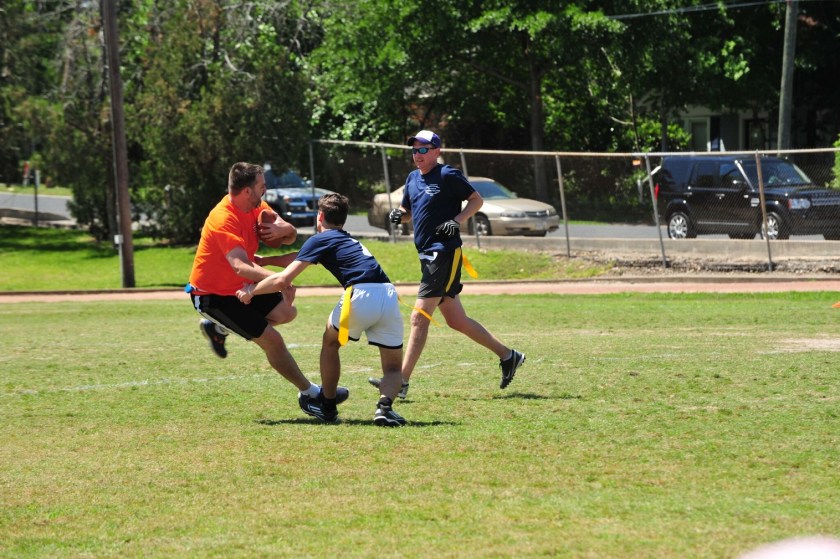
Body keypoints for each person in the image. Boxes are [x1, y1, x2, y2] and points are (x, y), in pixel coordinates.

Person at [369, 130, 525, 399]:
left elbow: (476, 200)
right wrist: (399, 215)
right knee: (456, 320)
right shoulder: (411, 179)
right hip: (426, 254)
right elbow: (409, 214)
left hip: (444, 253)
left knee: (419, 317)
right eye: (414, 150)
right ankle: (508, 356)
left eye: (423, 150)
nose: (417, 155)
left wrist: (458, 219)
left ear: (436, 151)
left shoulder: (447, 175)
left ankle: (401, 381)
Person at [186, 162, 348, 418]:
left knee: (287, 313)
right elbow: (240, 266)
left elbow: (291, 235)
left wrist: (284, 230)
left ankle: (219, 328)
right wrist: (281, 279)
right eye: (262, 187)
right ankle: (310, 395)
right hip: (212, 296)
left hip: (241, 287)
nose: (266, 190)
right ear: (248, 191)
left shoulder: (257, 206)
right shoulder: (222, 218)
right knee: (272, 340)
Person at [237, 193, 406, 426]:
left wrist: (251, 291)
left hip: (360, 294)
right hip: (388, 294)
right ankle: (385, 408)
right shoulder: (346, 240)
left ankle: (327, 405)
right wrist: (266, 261)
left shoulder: (321, 239)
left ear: (320, 216)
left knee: (330, 343)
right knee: (393, 367)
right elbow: (299, 256)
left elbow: (282, 280)